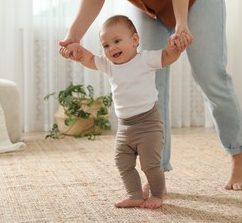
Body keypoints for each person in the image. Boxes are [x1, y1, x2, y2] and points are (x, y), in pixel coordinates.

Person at [59, 0, 242, 191]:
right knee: (149, 84)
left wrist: (182, 22)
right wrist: (73, 36)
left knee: (210, 77)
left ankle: (238, 154)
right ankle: (156, 170)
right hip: (149, 6)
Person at [60, 15, 187, 209]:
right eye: (106, 45)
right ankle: (134, 194)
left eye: (117, 41)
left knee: (150, 164)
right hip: (125, 127)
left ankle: (157, 194)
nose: (111, 48)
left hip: (148, 125)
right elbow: (89, 58)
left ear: (135, 40)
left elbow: (168, 56)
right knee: (122, 162)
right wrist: (76, 51)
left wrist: (176, 47)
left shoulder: (145, 59)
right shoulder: (109, 64)